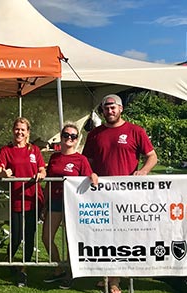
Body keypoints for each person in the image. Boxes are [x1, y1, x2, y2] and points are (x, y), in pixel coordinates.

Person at [82, 94, 158, 293]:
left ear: (121, 108)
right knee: (104, 236)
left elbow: (152, 157)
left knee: (123, 237)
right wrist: (90, 173)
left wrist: (143, 171)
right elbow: (86, 162)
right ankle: (107, 274)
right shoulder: (95, 134)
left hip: (128, 196)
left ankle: (114, 280)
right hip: (101, 195)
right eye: (106, 108)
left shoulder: (135, 131)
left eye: (113, 107)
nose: (110, 111)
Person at [42, 123, 98, 289]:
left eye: (73, 136)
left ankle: (71, 273)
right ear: (61, 136)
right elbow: (49, 181)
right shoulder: (54, 157)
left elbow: (90, 175)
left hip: (72, 204)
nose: (69, 138)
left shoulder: (81, 159)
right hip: (55, 202)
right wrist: (44, 204)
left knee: (70, 239)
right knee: (46, 237)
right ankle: (59, 268)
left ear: (77, 139)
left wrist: (93, 175)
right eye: (66, 135)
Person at [0, 117, 46, 288]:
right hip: (17, 198)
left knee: (30, 235)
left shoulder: (35, 150)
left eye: (23, 129)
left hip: (33, 198)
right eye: (17, 129)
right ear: (13, 130)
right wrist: (4, 174)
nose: (19, 132)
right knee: (16, 236)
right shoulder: (6, 150)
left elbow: (42, 169)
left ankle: (24, 269)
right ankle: (8, 260)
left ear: (28, 132)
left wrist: (41, 174)